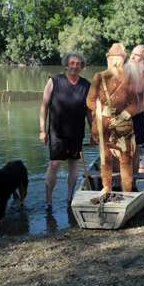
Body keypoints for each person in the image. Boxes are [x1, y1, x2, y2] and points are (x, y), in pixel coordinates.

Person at [39, 52, 92, 208]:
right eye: (72, 63)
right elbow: (44, 106)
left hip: (77, 131)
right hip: (57, 130)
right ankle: (49, 200)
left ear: (81, 67)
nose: (75, 66)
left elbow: (89, 111)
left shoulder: (86, 85)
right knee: (54, 164)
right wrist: (42, 130)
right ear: (66, 65)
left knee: (74, 164)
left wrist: (93, 133)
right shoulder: (54, 80)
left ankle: (69, 197)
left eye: (78, 63)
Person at [86, 43, 139, 193]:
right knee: (105, 158)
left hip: (122, 127)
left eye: (119, 58)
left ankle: (127, 190)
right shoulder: (99, 77)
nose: (116, 61)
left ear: (123, 58)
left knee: (125, 159)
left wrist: (123, 116)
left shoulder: (129, 78)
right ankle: (106, 187)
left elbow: (134, 103)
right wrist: (104, 110)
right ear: (108, 59)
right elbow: (90, 101)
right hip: (104, 126)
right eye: (113, 58)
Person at [113, 44, 144, 191]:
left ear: (143, 59)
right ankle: (116, 184)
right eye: (132, 54)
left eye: (137, 55)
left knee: (134, 152)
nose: (132, 57)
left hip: (136, 117)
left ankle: (133, 185)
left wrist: (130, 112)